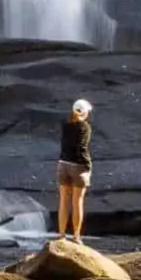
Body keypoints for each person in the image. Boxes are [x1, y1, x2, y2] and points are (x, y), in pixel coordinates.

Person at [56, 98, 92, 244]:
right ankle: (76, 237)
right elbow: (82, 148)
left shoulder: (66, 125)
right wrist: (87, 166)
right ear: (84, 112)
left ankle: (61, 236)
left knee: (64, 201)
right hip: (78, 166)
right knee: (77, 201)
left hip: (63, 164)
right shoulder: (85, 127)